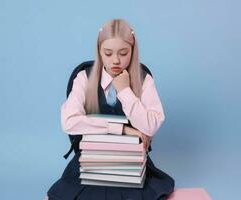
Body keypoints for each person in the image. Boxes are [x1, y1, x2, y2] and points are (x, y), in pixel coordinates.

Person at [46, 19, 175, 200]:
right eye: (108, 53)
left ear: (132, 51)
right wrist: (122, 129)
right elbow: (69, 122)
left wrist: (125, 90)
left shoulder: (143, 79)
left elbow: (151, 125)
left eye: (123, 53)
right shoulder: (84, 77)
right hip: (90, 165)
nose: (115, 60)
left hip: (132, 165)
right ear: (99, 51)